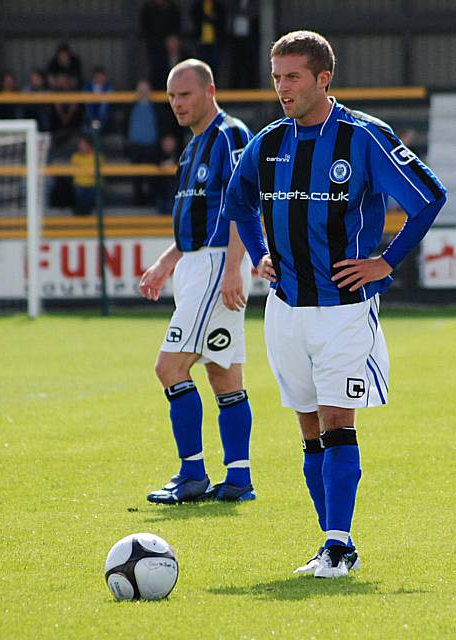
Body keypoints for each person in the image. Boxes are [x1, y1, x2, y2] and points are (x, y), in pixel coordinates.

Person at [222, 30, 446, 577]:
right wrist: (259, 255)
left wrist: (385, 262)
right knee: (307, 427)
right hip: (285, 308)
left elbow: (428, 195)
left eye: (292, 76)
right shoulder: (269, 142)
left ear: (324, 78)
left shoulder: (364, 136)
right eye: (277, 77)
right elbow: (237, 200)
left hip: (344, 308)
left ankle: (340, 544)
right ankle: (330, 546)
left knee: (336, 418)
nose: (282, 88)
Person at [139, 58, 255, 504]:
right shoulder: (191, 148)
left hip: (215, 265)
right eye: (171, 96)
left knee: (169, 368)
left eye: (184, 95)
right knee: (224, 374)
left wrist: (231, 268)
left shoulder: (231, 135)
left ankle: (192, 475)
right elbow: (194, 219)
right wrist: (166, 263)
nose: (176, 104)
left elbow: (245, 205)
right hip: (195, 264)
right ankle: (239, 479)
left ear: (210, 90)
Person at [126, 79, 159, 205]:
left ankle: (151, 200)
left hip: (150, 145)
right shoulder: (131, 106)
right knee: (136, 176)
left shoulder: (156, 107)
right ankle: (137, 200)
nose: (143, 92)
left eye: (145, 90)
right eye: (141, 90)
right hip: (135, 145)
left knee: (151, 176)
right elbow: (126, 124)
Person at [70, 133, 103, 215]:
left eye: (83, 144)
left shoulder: (98, 156)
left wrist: (84, 171)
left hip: (93, 185)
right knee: (78, 194)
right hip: (79, 185)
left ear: (90, 145)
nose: (80, 146)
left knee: (91, 194)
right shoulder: (75, 156)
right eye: (80, 144)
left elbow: (95, 174)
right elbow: (74, 171)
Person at [83, 66, 114, 132]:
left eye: (102, 77)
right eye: (98, 77)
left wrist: (99, 120)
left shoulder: (109, 87)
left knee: (96, 127)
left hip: (105, 120)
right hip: (90, 119)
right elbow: (88, 107)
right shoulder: (87, 87)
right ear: (94, 77)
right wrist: (93, 120)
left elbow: (105, 108)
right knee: (92, 127)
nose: (100, 79)